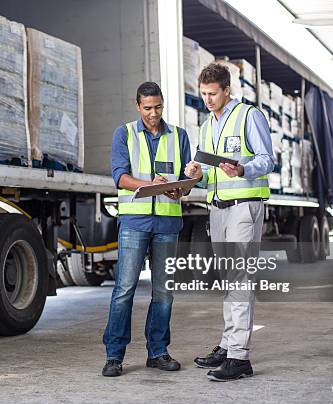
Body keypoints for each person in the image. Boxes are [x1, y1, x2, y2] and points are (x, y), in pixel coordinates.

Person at [185, 63, 274, 381]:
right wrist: (196, 173)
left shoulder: (249, 116)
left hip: (244, 207)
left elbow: (267, 159)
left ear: (227, 90)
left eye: (212, 94)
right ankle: (228, 345)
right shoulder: (207, 125)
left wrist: (243, 169)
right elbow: (209, 169)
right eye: (203, 94)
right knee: (230, 280)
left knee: (239, 279)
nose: (207, 99)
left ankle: (239, 357)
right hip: (218, 209)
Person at [102, 82, 193, 377]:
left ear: (163, 104)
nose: (153, 114)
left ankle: (158, 352)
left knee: (164, 292)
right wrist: (148, 185)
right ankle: (114, 356)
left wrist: (181, 188)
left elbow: (184, 179)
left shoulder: (179, 135)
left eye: (158, 107)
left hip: (167, 223)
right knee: (124, 290)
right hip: (134, 222)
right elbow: (120, 177)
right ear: (137, 105)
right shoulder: (124, 133)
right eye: (148, 108)